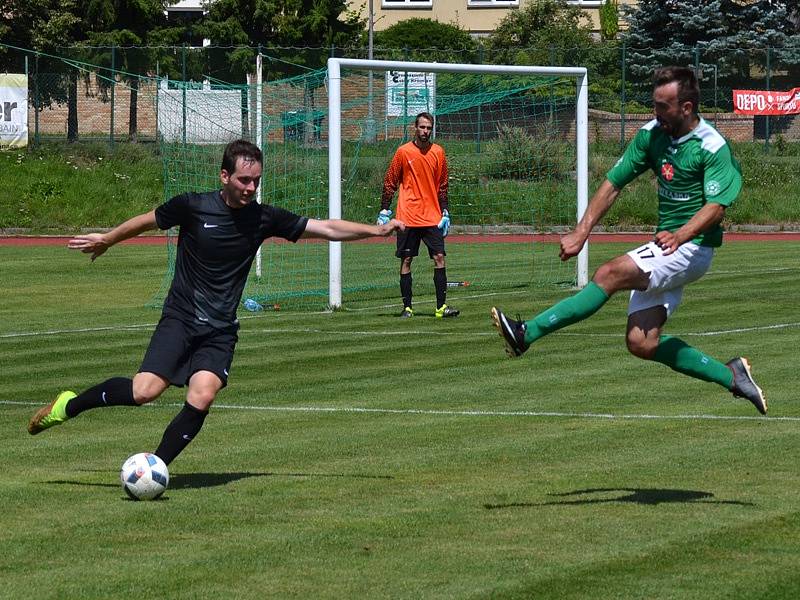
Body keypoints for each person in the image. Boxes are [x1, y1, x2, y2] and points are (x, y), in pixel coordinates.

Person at [27, 139, 406, 464]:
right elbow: (146, 220)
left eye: (256, 180)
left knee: (203, 393)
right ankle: (68, 405)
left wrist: (375, 229)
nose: (250, 187)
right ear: (224, 176)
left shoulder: (263, 217)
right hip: (180, 318)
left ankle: (155, 468)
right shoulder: (192, 206)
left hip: (220, 329)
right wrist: (108, 239)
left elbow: (324, 227)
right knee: (144, 392)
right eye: (244, 179)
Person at [491, 66, 767, 415]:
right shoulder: (651, 135)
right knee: (641, 342)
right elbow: (613, 183)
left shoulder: (711, 146)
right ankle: (730, 375)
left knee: (608, 274)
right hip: (668, 246)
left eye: (663, 106)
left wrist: (681, 235)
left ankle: (526, 333)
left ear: (686, 107)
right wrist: (581, 231)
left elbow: (716, 209)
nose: (656, 112)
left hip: (693, 247)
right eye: (654, 104)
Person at [378, 111, 459, 318]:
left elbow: (443, 185)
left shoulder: (438, 152)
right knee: (406, 260)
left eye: (429, 128)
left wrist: (445, 211)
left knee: (439, 257)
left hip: (432, 216)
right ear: (415, 128)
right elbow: (390, 181)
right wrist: (384, 210)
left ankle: (441, 308)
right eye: (422, 127)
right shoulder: (403, 152)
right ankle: (407, 307)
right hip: (407, 217)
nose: (425, 131)